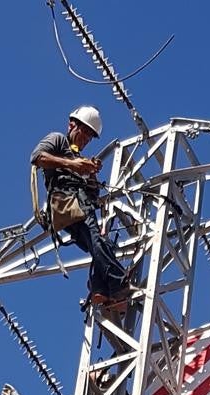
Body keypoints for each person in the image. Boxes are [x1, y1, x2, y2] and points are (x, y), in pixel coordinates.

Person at [31, 105, 130, 304]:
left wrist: (91, 176)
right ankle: (119, 285)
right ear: (71, 125)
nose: (85, 139)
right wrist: (73, 165)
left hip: (73, 206)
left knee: (102, 245)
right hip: (69, 200)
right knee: (97, 240)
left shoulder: (80, 158)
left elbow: (93, 193)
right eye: (84, 132)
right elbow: (37, 157)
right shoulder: (58, 139)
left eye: (89, 136)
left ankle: (99, 289)